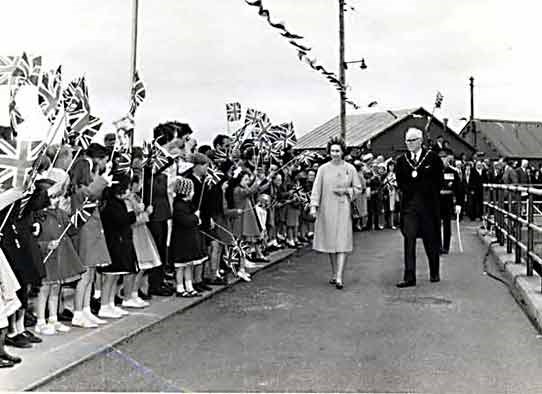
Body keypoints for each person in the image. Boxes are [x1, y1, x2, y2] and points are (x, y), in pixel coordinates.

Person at [310, 136, 361, 289]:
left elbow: (358, 189)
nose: (335, 154)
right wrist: (314, 206)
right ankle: (334, 273)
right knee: (331, 243)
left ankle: (339, 277)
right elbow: (316, 189)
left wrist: (346, 191)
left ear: (343, 152)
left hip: (343, 209)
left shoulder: (350, 168)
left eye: (338, 151)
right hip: (327, 210)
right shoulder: (322, 169)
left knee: (342, 242)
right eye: (332, 151)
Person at [395, 127, 444, 288]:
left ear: (420, 141)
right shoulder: (401, 161)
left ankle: (434, 271)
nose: (410, 144)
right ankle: (409, 276)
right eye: (407, 141)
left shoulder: (433, 158)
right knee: (409, 240)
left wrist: (425, 190)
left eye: (413, 140)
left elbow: (438, 181)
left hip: (428, 208)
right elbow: (400, 182)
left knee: (430, 240)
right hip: (410, 208)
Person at [438, 149, 463, 255]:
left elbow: (459, 189)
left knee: (447, 225)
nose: (442, 159)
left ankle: (446, 247)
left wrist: (459, 203)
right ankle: (438, 246)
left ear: (448, 158)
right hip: (436, 200)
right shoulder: (433, 172)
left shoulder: (453, 172)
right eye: (440, 157)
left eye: (444, 157)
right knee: (436, 225)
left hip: (448, 200)